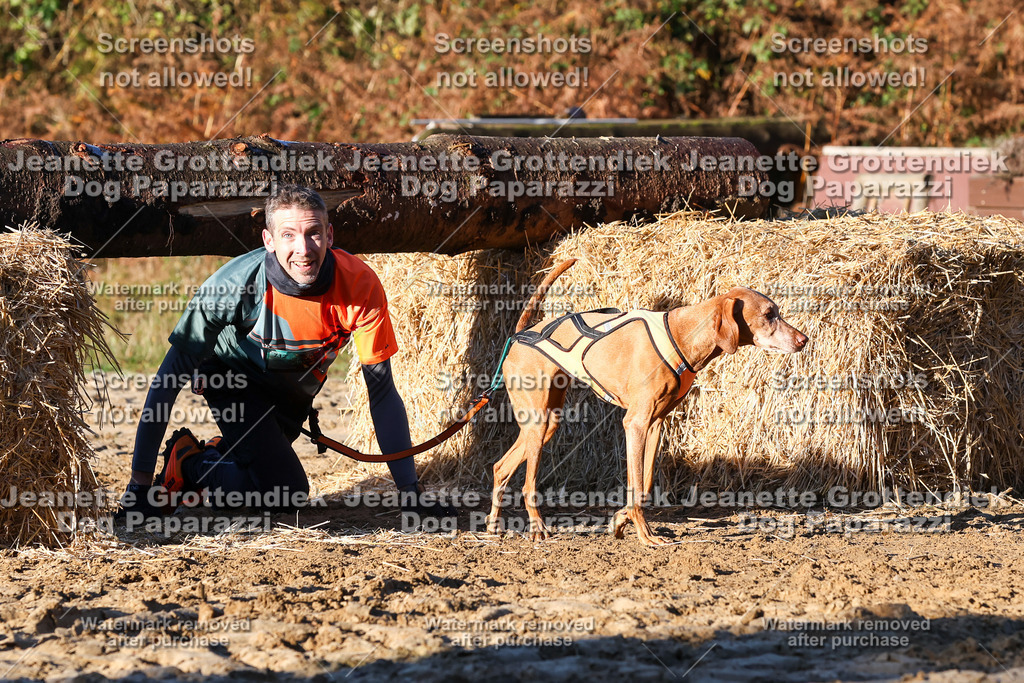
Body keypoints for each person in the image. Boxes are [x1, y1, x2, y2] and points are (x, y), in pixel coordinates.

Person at [119, 184, 452, 523]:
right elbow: (166, 381)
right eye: (289, 235)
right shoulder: (233, 285)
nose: (303, 249)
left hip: (291, 397)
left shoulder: (360, 286)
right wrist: (140, 486)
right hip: (232, 381)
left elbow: (381, 393)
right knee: (284, 494)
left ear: (330, 235)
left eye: (313, 233)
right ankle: (190, 463)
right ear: (269, 241)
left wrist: (411, 494)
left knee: (261, 477)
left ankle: (224, 452)